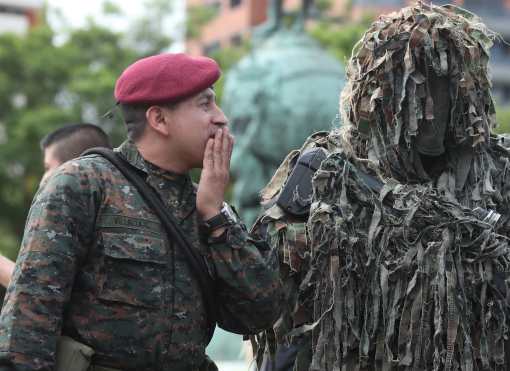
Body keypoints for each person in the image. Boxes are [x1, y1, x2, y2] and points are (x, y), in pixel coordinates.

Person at [252, 3, 510, 370]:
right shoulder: (329, 172)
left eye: (445, 89)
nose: (432, 111)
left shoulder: (496, 172)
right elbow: (278, 303)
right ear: (379, 96)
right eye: (418, 93)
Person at [0, 53, 281, 371]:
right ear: (159, 119)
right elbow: (29, 318)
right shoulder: (85, 184)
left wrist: (215, 219)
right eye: (205, 105)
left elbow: (259, 313)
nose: (221, 118)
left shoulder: (207, 205)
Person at [0, 123, 112, 289]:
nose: (43, 178)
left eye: (47, 167)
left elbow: (37, 290)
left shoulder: (65, 213)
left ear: (70, 168)